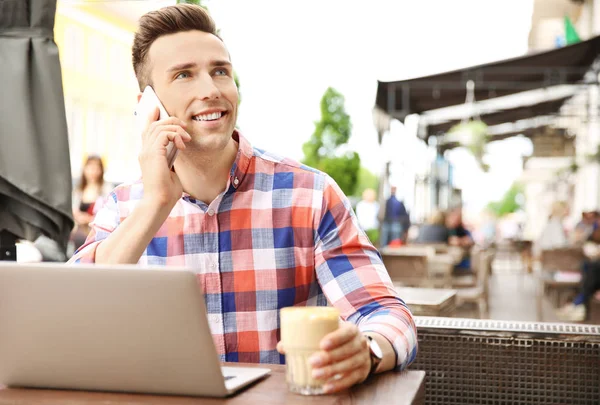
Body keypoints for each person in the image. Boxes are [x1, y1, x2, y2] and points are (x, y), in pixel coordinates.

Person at [68, 4, 416, 393]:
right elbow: (70, 321)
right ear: (147, 106)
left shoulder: (311, 195)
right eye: (184, 75)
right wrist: (155, 204)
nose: (211, 90)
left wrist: (366, 351)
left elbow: (385, 313)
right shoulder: (123, 209)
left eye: (220, 71)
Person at [70, 156, 111, 253]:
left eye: (96, 168)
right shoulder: (79, 189)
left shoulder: (106, 189)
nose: (93, 172)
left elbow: (108, 212)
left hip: (96, 229)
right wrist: (78, 216)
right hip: (78, 228)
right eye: (90, 168)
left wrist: (89, 219)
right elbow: (73, 209)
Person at [445, 207, 474, 272]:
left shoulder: (463, 230)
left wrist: (459, 241)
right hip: (447, 261)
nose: (455, 220)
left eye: (458, 218)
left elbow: (469, 241)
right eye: (453, 217)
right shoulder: (444, 230)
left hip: (462, 263)